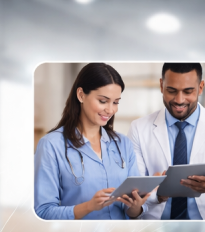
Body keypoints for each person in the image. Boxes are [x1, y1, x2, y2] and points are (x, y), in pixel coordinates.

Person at [128, 63, 205, 221]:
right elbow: (133, 193)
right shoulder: (138, 128)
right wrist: (157, 195)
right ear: (161, 85)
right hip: (155, 228)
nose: (179, 100)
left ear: (200, 88)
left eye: (188, 91)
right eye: (171, 91)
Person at [34, 63, 152, 220]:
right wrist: (88, 206)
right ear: (81, 95)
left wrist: (136, 207)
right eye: (103, 101)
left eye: (116, 102)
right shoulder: (51, 145)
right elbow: (43, 212)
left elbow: (131, 210)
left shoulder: (123, 144)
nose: (110, 110)